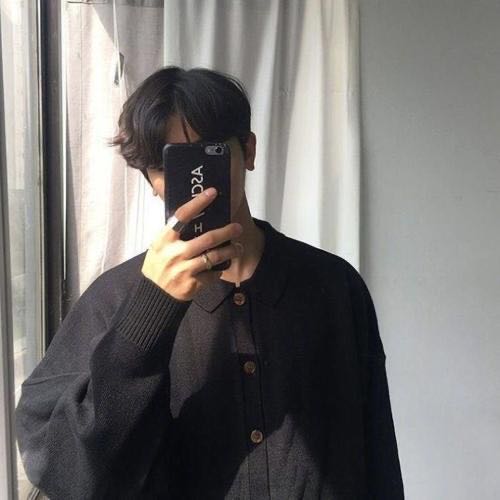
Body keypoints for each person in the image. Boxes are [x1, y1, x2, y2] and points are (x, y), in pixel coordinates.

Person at [15, 67, 404, 499]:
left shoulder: (333, 286)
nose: (193, 182)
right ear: (150, 180)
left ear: (248, 150)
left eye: (207, 155)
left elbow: (377, 454)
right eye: (167, 164)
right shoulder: (112, 299)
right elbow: (64, 470)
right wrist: (149, 313)